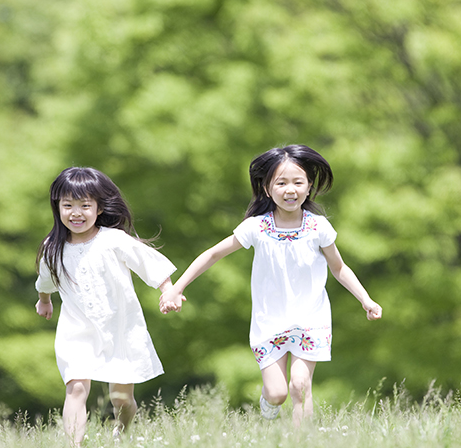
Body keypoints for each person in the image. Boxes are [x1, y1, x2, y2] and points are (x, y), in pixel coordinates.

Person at [160, 145, 382, 426]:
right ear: (267, 189)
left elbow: (339, 268)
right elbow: (213, 254)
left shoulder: (318, 227)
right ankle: (269, 401)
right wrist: (176, 288)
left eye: (298, 182)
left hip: (310, 317)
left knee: (300, 386)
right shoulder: (256, 227)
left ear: (309, 187)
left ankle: (300, 443)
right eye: (281, 183)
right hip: (270, 320)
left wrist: (366, 299)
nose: (290, 189)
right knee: (278, 394)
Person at [35, 167, 178, 446]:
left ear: (99, 208)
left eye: (85, 205)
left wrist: (168, 290)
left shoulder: (113, 240)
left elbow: (149, 263)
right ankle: (74, 445)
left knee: (122, 400)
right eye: (68, 205)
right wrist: (44, 301)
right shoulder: (53, 247)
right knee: (76, 387)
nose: (76, 213)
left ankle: (121, 435)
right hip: (77, 331)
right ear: (58, 207)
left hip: (120, 328)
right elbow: (45, 280)